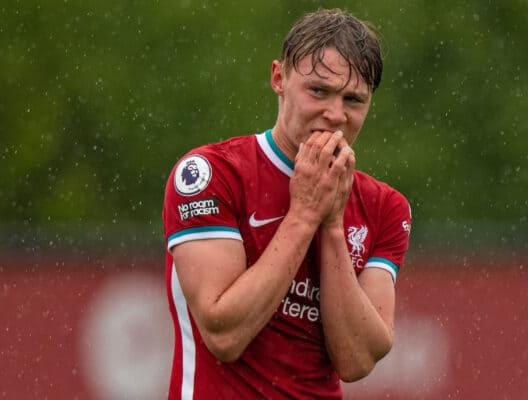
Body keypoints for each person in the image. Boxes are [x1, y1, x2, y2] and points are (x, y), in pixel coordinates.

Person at [162, 8, 412, 399]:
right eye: (318, 91)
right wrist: (305, 214)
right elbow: (224, 334)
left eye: (353, 99)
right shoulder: (210, 174)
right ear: (279, 78)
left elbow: (356, 360)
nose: (335, 115)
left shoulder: (385, 206)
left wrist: (331, 226)